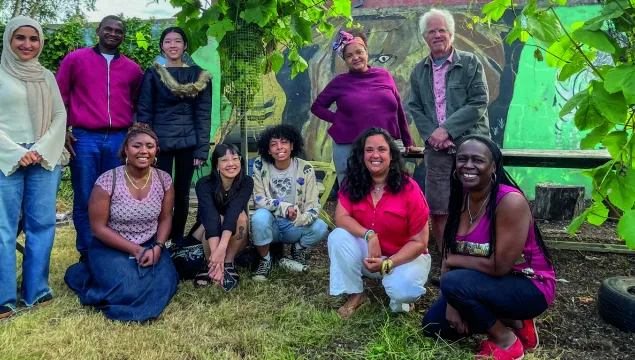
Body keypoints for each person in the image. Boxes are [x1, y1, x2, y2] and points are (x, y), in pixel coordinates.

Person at [421, 135, 556, 360]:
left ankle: (506, 340)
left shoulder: (509, 201)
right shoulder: (460, 197)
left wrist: (452, 265)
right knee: (434, 327)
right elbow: (449, 253)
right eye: (462, 159)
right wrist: (452, 301)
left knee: (454, 282)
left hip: (529, 285)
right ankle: (516, 322)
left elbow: (499, 267)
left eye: (477, 160)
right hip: (480, 282)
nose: (468, 166)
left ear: (493, 166)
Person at [64, 124, 178, 322]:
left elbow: (166, 217)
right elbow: (97, 228)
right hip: (111, 246)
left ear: (156, 151)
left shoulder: (164, 180)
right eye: (137, 146)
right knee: (127, 288)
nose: (144, 151)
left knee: (166, 282)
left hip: (150, 244)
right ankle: (88, 274)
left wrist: (158, 247)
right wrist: (135, 250)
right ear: (126, 149)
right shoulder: (108, 181)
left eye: (149, 146)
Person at [56, 15, 144, 262]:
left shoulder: (132, 69)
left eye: (119, 31)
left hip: (118, 139)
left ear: (123, 36)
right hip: (84, 139)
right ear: (98, 31)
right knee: (85, 195)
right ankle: (87, 253)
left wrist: (133, 134)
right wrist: (62, 129)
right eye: (109, 29)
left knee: (117, 196)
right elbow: (59, 97)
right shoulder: (75, 60)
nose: (114, 33)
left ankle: (112, 250)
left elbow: (136, 103)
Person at [0, 16, 68, 319]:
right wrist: (16, 151)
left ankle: (36, 291)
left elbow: (59, 114)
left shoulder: (46, 76)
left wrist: (39, 150)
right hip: (5, 158)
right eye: (20, 38)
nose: (27, 44)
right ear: (9, 40)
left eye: (34, 39)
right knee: (3, 228)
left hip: (44, 157)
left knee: (42, 225)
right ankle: (4, 298)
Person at [406, 9, 490, 250]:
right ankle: (447, 257)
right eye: (431, 31)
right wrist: (433, 135)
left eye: (442, 30)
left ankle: (475, 252)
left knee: (474, 201)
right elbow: (415, 106)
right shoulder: (419, 70)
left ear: (451, 33)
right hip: (436, 147)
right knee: (438, 205)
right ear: (424, 37)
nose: (437, 35)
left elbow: (478, 102)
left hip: (471, 144)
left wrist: (447, 130)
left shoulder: (470, 62)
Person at [328, 127, 431, 318]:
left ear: (391, 155)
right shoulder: (353, 182)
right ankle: (357, 295)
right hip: (369, 256)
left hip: (403, 258)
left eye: (382, 149)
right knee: (338, 236)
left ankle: (401, 297)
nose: (375, 155)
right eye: (369, 150)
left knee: (403, 292)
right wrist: (369, 235)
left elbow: (420, 242)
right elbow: (341, 218)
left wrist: (389, 263)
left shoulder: (410, 189)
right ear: (362, 155)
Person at [311, 30, 418, 186]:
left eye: (359, 52)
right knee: (352, 192)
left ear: (366, 52)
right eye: (349, 56)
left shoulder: (384, 75)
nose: (355, 58)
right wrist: (338, 119)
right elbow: (317, 107)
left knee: (386, 190)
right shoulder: (340, 82)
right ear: (344, 60)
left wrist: (408, 142)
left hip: (383, 146)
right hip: (349, 146)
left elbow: (398, 110)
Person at [137, 27, 212, 241]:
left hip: (188, 145)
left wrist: (201, 149)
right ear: (162, 46)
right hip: (160, 145)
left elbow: (203, 114)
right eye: (167, 41)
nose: (172, 45)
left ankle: (177, 240)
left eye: (177, 41)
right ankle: (157, 238)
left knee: (181, 193)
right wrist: (146, 146)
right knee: (157, 193)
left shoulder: (199, 75)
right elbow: (144, 110)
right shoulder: (153, 73)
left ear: (185, 45)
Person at [251, 124, 329, 281]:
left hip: (294, 225)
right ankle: (265, 260)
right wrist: (284, 208)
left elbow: (313, 206)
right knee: (259, 217)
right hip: (271, 224)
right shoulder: (260, 165)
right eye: (273, 144)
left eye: (284, 142)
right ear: (268, 149)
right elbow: (258, 199)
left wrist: (298, 219)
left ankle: (298, 249)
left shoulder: (305, 168)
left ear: (292, 145)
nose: (279, 147)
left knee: (321, 227)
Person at [187, 143, 253, 292]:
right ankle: (210, 262)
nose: (231, 164)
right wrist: (216, 257)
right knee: (217, 218)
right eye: (224, 160)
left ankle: (228, 263)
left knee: (241, 216)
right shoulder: (204, 184)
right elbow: (210, 218)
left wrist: (222, 249)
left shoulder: (246, 182)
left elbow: (233, 212)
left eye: (235, 159)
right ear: (216, 165)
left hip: (233, 237)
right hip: (206, 232)